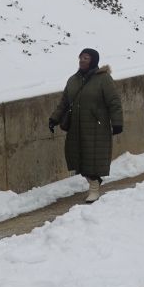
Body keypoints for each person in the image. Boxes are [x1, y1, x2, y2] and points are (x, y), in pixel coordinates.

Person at [48, 47, 124, 203]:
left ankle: (94, 190)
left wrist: (117, 123)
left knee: (92, 160)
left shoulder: (104, 79)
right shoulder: (73, 80)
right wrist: (54, 119)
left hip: (96, 127)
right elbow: (64, 103)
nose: (82, 61)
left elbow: (114, 102)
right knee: (77, 159)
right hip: (76, 128)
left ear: (93, 61)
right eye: (81, 58)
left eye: (86, 58)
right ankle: (95, 183)